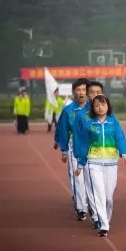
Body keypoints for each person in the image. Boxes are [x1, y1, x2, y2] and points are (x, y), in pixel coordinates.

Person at [74, 94, 126, 237]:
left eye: (103, 104)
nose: (100, 107)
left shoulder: (114, 122)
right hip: (94, 162)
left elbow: (120, 137)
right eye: (97, 105)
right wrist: (80, 164)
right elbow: (84, 144)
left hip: (111, 162)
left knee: (108, 198)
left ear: (108, 106)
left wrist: (124, 153)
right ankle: (103, 225)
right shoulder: (89, 124)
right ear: (92, 108)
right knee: (99, 194)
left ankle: (106, 219)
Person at [55, 78, 91, 221]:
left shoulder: (94, 107)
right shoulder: (68, 110)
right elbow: (63, 130)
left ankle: (91, 204)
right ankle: (81, 208)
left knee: (91, 178)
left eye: (84, 90)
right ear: (73, 92)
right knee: (78, 178)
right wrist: (64, 150)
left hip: (93, 149)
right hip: (74, 148)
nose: (81, 93)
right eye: (78, 90)